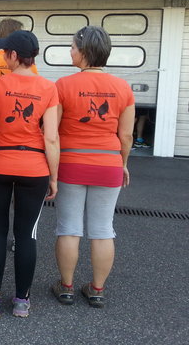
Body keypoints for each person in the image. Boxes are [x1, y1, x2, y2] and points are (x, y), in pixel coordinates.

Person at [0, 30, 59, 319]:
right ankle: (22, 301)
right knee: (26, 235)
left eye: (5, 52)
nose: (2, 57)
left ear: (13, 55)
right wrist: (53, 177)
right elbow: (51, 138)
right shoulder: (48, 88)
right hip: (34, 167)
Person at [52, 26, 135, 308]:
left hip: (71, 163)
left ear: (84, 52)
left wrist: (51, 167)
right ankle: (97, 289)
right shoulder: (123, 87)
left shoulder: (63, 85)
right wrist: (123, 163)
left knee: (69, 227)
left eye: (73, 47)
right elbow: (126, 135)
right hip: (109, 164)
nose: (70, 52)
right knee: (102, 229)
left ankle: (66, 287)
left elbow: (53, 132)